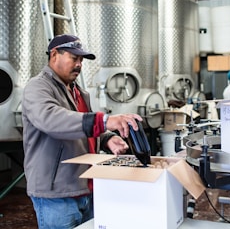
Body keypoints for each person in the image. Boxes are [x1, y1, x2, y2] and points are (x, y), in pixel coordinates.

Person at [21, 34, 143, 229]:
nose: (79, 65)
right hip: (57, 194)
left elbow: (85, 128)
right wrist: (104, 120)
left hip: (86, 187)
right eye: (74, 58)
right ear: (54, 55)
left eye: (81, 60)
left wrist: (108, 139)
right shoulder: (38, 87)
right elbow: (52, 120)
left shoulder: (78, 91)